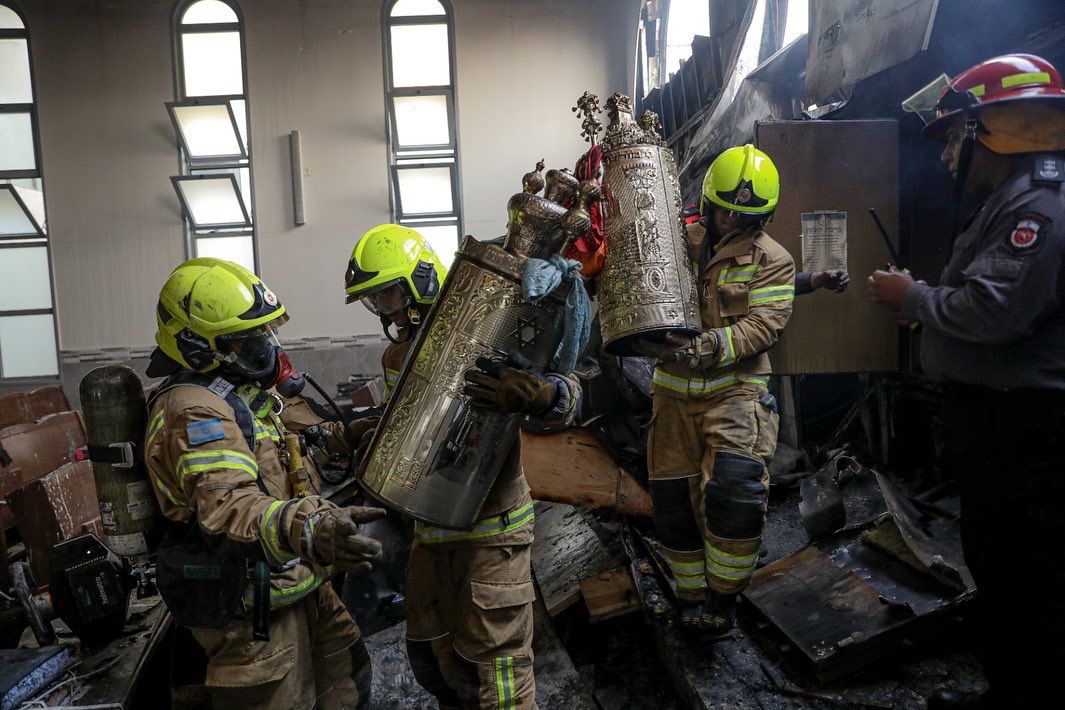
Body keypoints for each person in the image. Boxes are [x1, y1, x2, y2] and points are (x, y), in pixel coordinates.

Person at [870, 53, 1065, 709]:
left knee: (1029, 575)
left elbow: (991, 310)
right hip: (998, 423)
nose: (948, 154)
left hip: (1027, 427)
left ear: (994, 129)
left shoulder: (1037, 208)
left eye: (955, 135)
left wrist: (912, 298)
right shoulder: (1010, 201)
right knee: (999, 565)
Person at [343, 224, 583, 709]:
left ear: (422, 279)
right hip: (429, 534)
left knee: (498, 674)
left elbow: (574, 385)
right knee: (435, 661)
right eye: (375, 300)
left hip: (489, 533)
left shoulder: (494, 320)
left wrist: (543, 394)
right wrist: (375, 431)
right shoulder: (398, 353)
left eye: (388, 292)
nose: (385, 308)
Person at [144, 257, 384, 709]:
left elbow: (287, 453)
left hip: (295, 582)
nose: (268, 349)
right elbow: (229, 509)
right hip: (250, 611)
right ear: (198, 346)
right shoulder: (194, 411)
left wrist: (345, 434)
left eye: (266, 334)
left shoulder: (241, 396)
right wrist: (312, 529)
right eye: (250, 340)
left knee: (348, 680)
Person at [637, 144, 796, 635]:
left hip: (736, 392)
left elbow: (762, 328)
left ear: (763, 216)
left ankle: (724, 599)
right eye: (724, 208)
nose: (730, 218)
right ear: (707, 203)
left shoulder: (774, 260)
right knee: (672, 499)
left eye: (744, 214)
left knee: (733, 494)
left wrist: (701, 347)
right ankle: (690, 595)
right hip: (672, 395)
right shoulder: (673, 243)